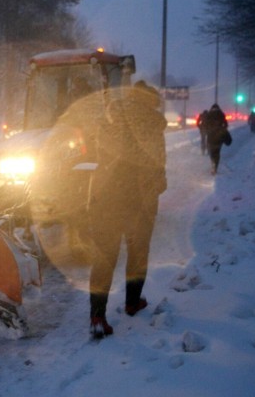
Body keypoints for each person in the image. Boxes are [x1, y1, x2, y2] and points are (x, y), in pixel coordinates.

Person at [86, 80, 167, 339]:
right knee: (137, 255)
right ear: (151, 100)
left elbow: (100, 156)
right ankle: (132, 302)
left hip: (106, 199)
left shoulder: (108, 119)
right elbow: (159, 172)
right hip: (138, 203)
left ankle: (97, 316)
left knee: (104, 257)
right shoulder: (153, 126)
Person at [204, 103, 229, 175]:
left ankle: (213, 163)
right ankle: (215, 167)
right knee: (217, 152)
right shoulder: (221, 114)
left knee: (211, 151)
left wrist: (208, 131)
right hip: (219, 137)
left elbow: (205, 125)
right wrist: (222, 129)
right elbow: (226, 124)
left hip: (211, 136)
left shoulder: (209, 114)